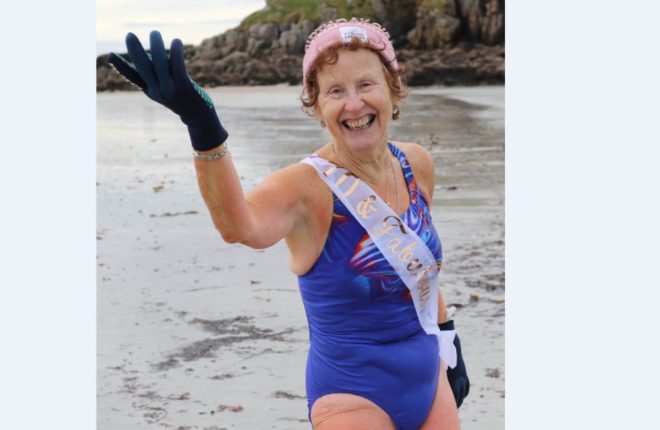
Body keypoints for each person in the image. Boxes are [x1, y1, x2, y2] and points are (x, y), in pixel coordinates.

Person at [109, 17, 468, 430]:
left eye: (366, 85)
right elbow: (238, 226)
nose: (354, 105)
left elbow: (421, 269)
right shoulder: (304, 187)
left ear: (392, 87)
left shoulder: (415, 164)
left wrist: (448, 334)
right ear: (316, 105)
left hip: (430, 382)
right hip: (354, 397)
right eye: (335, 91)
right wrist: (203, 127)